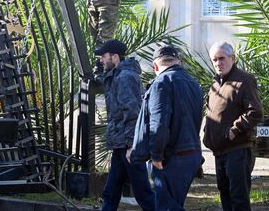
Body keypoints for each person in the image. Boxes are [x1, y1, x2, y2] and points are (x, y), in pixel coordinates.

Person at [130, 45, 203, 210]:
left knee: (167, 207)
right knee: (174, 204)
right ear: (178, 61)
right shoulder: (193, 83)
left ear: (155, 66)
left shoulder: (161, 82)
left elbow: (159, 123)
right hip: (191, 155)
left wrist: (156, 156)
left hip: (171, 157)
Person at [95, 39, 154, 211]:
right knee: (111, 191)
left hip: (128, 145)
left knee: (143, 193)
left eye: (103, 56)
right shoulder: (118, 75)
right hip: (120, 144)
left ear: (115, 57)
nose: (101, 60)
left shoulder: (125, 77)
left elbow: (132, 113)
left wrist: (131, 145)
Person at [203, 42, 263, 211]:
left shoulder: (244, 80)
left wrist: (234, 130)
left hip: (238, 148)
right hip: (219, 150)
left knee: (238, 198)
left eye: (222, 58)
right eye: (214, 60)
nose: (218, 63)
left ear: (233, 58)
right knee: (225, 196)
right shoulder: (216, 82)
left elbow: (256, 112)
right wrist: (207, 132)